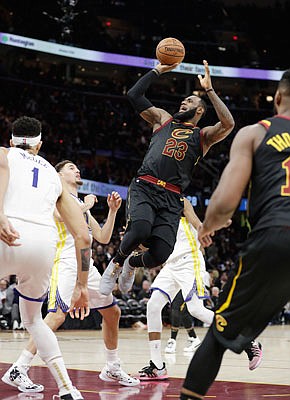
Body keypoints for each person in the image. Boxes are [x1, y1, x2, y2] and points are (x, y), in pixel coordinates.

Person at [179, 69, 290, 400]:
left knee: (218, 334)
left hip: (277, 234)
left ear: (279, 98)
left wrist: (207, 228)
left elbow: (225, 203)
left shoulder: (257, 133)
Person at [100, 60, 235, 297]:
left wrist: (209, 90)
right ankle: (117, 263)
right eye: (183, 100)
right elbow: (134, 94)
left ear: (200, 110)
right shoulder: (163, 119)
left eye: (190, 101)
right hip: (145, 186)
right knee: (140, 230)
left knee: (160, 254)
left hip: (172, 196)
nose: (184, 102)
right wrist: (157, 70)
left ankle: (132, 263)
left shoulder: (203, 136)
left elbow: (228, 124)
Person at [2, 160, 140, 391]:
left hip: (86, 267)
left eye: (77, 167)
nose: (77, 170)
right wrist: (85, 207)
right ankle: (19, 368)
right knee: (56, 316)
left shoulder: (77, 203)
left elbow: (104, 237)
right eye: (70, 168)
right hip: (63, 263)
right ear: (58, 175)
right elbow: (57, 217)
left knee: (113, 312)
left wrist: (113, 211)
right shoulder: (55, 195)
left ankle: (112, 366)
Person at [0, 116, 91, 400]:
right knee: (34, 321)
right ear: (39, 145)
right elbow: (85, 238)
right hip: (43, 247)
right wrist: (82, 286)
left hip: (7, 231)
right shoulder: (53, 174)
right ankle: (68, 389)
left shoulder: (4, 154)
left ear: (11, 140)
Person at [137, 199, 261, 381]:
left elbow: (195, 218)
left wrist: (212, 226)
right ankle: (157, 366)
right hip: (170, 265)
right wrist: (134, 239)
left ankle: (247, 341)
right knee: (153, 306)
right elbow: (150, 246)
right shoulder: (152, 214)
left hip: (189, 260)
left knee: (196, 309)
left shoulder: (177, 199)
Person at [164, 290, 202, 355]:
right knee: (183, 312)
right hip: (175, 285)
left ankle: (172, 340)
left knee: (177, 309)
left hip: (186, 285)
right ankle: (194, 338)